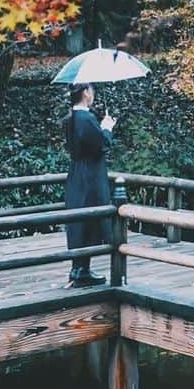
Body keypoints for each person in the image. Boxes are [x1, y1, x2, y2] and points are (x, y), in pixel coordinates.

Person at [63, 82, 116, 288]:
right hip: (90, 175)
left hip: (77, 173)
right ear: (86, 92)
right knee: (90, 218)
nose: (93, 94)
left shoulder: (72, 118)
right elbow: (101, 145)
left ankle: (79, 268)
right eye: (92, 90)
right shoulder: (85, 118)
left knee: (79, 219)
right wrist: (107, 128)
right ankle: (81, 271)